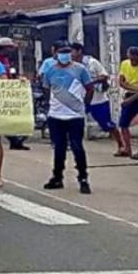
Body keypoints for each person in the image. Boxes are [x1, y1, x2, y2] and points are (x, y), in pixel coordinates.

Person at [40, 41, 94, 193]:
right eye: (62, 52)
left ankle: (83, 178)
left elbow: (89, 88)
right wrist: (51, 104)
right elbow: (46, 88)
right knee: (59, 148)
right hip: (56, 115)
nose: (65, 55)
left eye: (67, 52)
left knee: (77, 147)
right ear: (56, 54)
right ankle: (57, 177)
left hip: (75, 115)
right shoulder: (50, 70)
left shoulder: (80, 69)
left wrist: (84, 104)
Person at [71, 42, 113, 140]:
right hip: (81, 99)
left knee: (106, 125)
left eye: (72, 52)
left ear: (79, 51)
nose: (70, 55)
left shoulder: (92, 62)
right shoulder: (72, 66)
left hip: (98, 100)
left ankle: (120, 142)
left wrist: (90, 82)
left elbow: (104, 76)